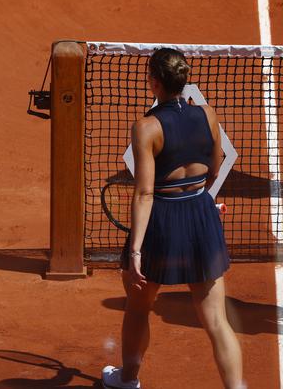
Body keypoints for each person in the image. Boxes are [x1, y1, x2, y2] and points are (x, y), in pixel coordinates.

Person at [102, 48, 243, 388]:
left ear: (154, 82)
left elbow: (145, 193)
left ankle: (128, 379)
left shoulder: (146, 128)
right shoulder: (208, 114)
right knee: (216, 320)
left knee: (138, 308)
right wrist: (201, 200)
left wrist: (135, 252)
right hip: (200, 217)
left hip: (161, 224)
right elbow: (216, 161)